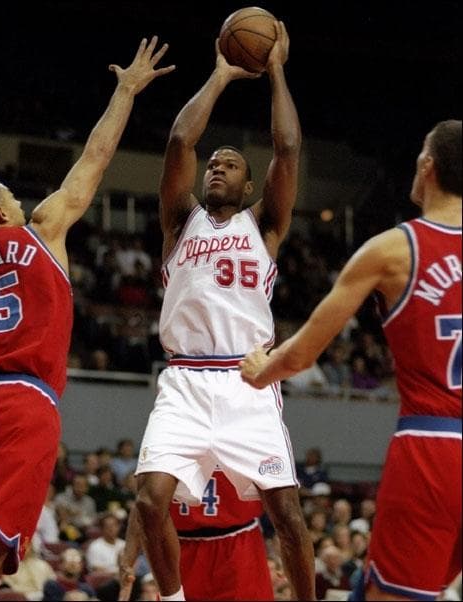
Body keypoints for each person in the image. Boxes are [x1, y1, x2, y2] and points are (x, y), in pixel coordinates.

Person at [130, 20, 316, 601]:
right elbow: (179, 144)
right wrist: (219, 75)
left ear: (249, 182)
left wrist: (276, 68)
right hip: (185, 379)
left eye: (231, 163)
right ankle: (174, 598)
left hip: (246, 379)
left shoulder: (265, 224)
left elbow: (288, 149)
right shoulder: (178, 221)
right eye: (214, 162)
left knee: (288, 515)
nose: (217, 166)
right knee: (149, 501)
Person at [240, 119, 462, 601]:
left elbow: (303, 354)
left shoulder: (394, 249)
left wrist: (261, 372)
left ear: (427, 166)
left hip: (434, 445)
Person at [0, 37, 175, 600]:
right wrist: (125, 92)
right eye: (13, 198)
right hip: (24, 400)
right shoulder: (42, 229)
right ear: (0, 212)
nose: (22, 202)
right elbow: (94, 158)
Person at [118, 469, 274, 601]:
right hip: (177, 547)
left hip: (240, 544)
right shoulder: (162, 442)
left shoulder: (255, 441)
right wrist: (128, 559)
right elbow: (145, 503)